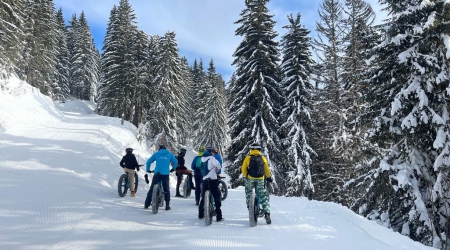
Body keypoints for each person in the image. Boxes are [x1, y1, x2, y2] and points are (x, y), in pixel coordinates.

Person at [241, 142, 272, 224]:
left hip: (250, 179)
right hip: (260, 179)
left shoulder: (248, 157)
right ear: (259, 149)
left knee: (248, 192)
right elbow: (266, 169)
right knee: (264, 196)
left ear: (251, 149)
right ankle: (267, 214)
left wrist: (246, 176)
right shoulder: (262, 158)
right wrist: (268, 177)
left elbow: (243, 168)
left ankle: (250, 208)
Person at [144, 144, 178, 210]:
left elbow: (148, 162)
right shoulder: (170, 154)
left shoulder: (157, 154)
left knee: (152, 189)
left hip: (157, 173)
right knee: (166, 189)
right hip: (165, 174)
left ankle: (146, 205)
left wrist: (148, 170)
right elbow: (175, 162)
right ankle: (167, 206)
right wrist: (173, 168)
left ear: (160, 149)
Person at [198, 146, 223, 222]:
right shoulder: (212, 158)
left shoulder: (202, 158)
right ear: (211, 152)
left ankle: (201, 214)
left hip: (205, 180)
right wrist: (216, 168)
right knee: (217, 197)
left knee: (203, 197)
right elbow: (218, 165)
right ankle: (219, 216)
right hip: (213, 180)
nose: (213, 153)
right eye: (213, 152)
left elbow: (200, 167)